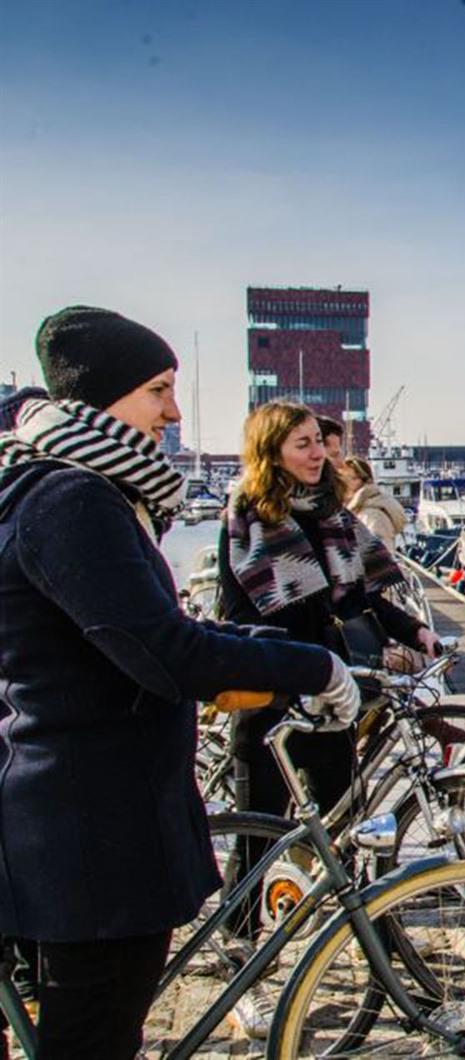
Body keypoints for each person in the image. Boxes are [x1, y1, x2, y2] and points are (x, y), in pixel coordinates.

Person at [0, 306, 358, 1059]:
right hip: (92, 831)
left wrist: (276, 652)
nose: (174, 410)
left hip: (60, 816)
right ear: (103, 397)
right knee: (93, 1038)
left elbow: (150, 632)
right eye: (158, 389)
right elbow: (163, 650)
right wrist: (312, 665)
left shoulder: (53, 488)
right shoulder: (74, 500)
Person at [216, 402, 441, 853]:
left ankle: (343, 918)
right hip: (272, 696)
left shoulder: (332, 515)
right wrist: (292, 657)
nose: (319, 453)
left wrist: (415, 631)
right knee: (256, 839)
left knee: (344, 826)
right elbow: (238, 612)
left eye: (319, 442)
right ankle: (242, 925)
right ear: (271, 452)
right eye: (303, 444)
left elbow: (362, 597)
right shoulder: (247, 519)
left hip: (331, 693)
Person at [342, 454, 408, 550]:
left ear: (366, 480)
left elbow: (381, 558)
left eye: (353, 478)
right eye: (343, 479)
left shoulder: (373, 516)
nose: (346, 483)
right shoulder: (359, 510)